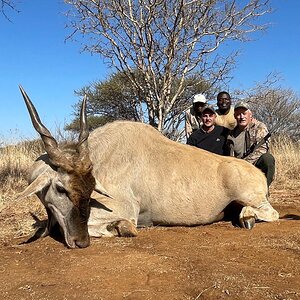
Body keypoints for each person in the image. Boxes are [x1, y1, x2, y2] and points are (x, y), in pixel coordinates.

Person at [226, 101, 275, 187]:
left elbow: (262, 150)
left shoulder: (260, 127)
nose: (241, 117)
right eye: (238, 114)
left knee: (268, 159)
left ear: (250, 115)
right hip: (237, 170)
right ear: (234, 116)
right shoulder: (231, 134)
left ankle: (264, 190)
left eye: (244, 114)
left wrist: (244, 164)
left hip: (253, 166)